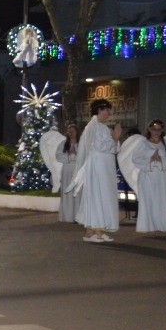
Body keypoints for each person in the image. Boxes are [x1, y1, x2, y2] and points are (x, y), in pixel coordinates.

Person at [71, 98, 122, 242]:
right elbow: (100, 147)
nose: (109, 113)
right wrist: (115, 139)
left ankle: (91, 231)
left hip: (105, 168)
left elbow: (115, 148)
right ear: (100, 110)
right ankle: (96, 230)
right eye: (107, 110)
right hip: (97, 168)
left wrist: (116, 140)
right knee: (96, 197)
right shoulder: (92, 127)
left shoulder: (104, 127)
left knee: (103, 197)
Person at [130, 119, 166, 234]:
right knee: (149, 200)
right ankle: (148, 225)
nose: (156, 132)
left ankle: (164, 224)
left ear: (162, 130)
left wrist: (162, 159)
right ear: (149, 130)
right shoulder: (143, 143)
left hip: (162, 177)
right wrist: (151, 159)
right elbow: (136, 159)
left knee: (163, 200)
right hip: (148, 176)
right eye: (154, 129)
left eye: (158, 129)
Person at [56, 122, 81, 223]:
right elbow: (58, 156)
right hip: (67, 170)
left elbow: (86, 156)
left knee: (78, 192)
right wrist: (69, 156)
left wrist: (76, 154)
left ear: (76, 132)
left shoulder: (81, 143)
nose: (71, 133)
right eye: (69, 131)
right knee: (67, 192)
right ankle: (67, 216)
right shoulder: (63, 144)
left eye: (73, 131)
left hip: (78, 170)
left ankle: (78, 215)